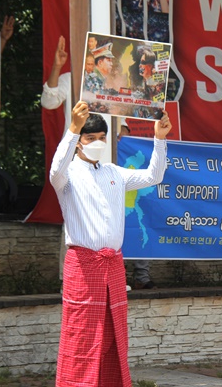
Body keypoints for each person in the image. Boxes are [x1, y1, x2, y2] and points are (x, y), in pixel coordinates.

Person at [51, 101, 171, 386]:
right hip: (83, 265)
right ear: (79, 142)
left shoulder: (114, 172)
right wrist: (72, 129)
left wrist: (160, 138)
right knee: (81, 334)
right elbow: (56, 170)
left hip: (113, 264)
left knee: (113, 333)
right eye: (90, 138)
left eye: (102, 138)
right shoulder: (67, 176)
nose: (97, 143)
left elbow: (155, 176)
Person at [117, 121, 156, 289]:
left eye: (124, 135)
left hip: (134, 203)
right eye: (118, 136)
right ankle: (119, 279)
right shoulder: (102, 156)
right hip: (114, 205)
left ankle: (142, 277)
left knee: (141, 234)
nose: (121, 138)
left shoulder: (134, 155)